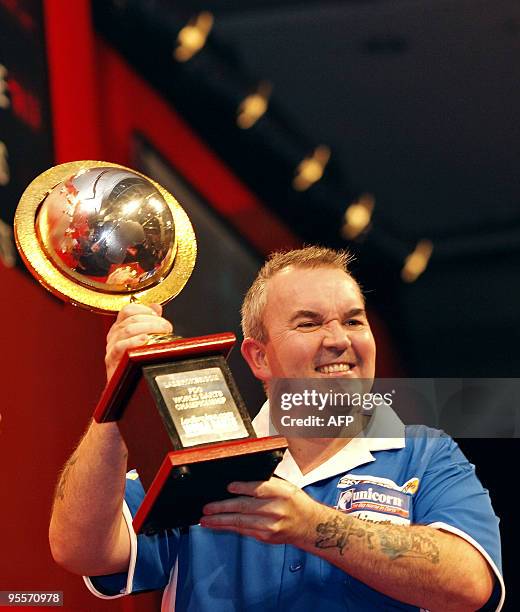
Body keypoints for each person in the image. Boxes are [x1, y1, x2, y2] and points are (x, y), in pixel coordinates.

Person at [49, 246, 504, 611]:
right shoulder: (202, 452)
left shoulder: (425, 454)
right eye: (309, 323)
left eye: (353, 320)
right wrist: (122, 391)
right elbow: (80, 549)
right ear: (259, 358)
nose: (339, 339)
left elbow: (468, 584)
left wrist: (311, 525)